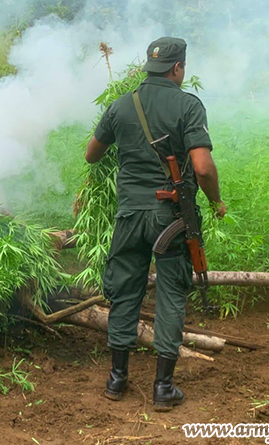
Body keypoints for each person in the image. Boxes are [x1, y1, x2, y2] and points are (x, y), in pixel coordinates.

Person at [84, 37, 226, 411]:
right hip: (172, 220)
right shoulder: (188, 105)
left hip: (129, 216)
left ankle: (116, 380)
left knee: (125, 293)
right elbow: (202, 167)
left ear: (149, 66)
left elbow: (91, 155)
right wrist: (216, 201)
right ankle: (162, 387)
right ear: (178, 68)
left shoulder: (120, 105)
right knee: (171, 295)